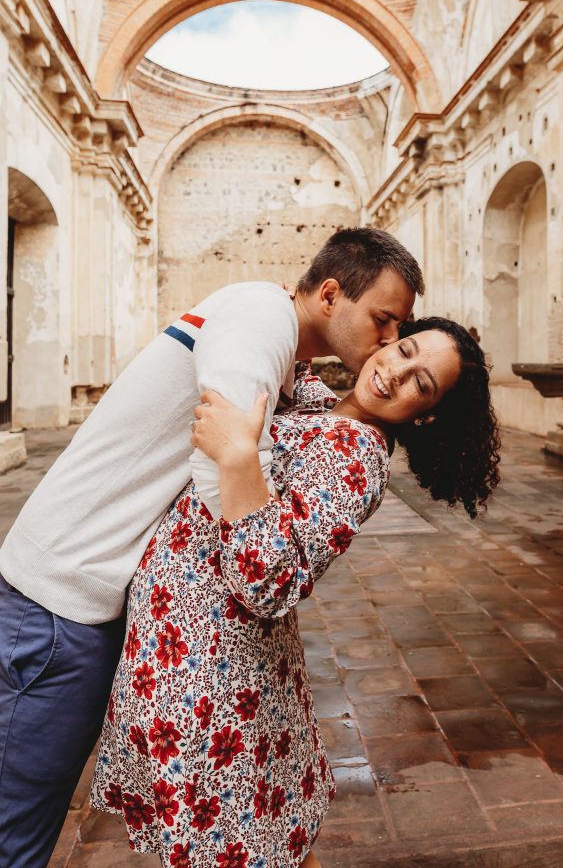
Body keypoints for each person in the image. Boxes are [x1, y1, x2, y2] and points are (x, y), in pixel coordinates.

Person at [0, 228, 423, 868]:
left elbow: (261, 465)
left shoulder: (279, 342)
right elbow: (221, 453)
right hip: (63, 595)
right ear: (331, 295)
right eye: (385, 322)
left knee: (38, 817)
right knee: (18, 824)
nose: (388, 345)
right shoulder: (262, 318)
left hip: (99, 603)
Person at [90, 317, 501, 868]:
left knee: (230, 845)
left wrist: (237, 457)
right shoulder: (323, 408)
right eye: (402, 350)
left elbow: (269, 579)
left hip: (210, 674)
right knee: (261, 842)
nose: (394, 374)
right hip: (187, 649)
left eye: (419, 384)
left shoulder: (359, 460)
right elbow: (294, 338)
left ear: (425, 415)